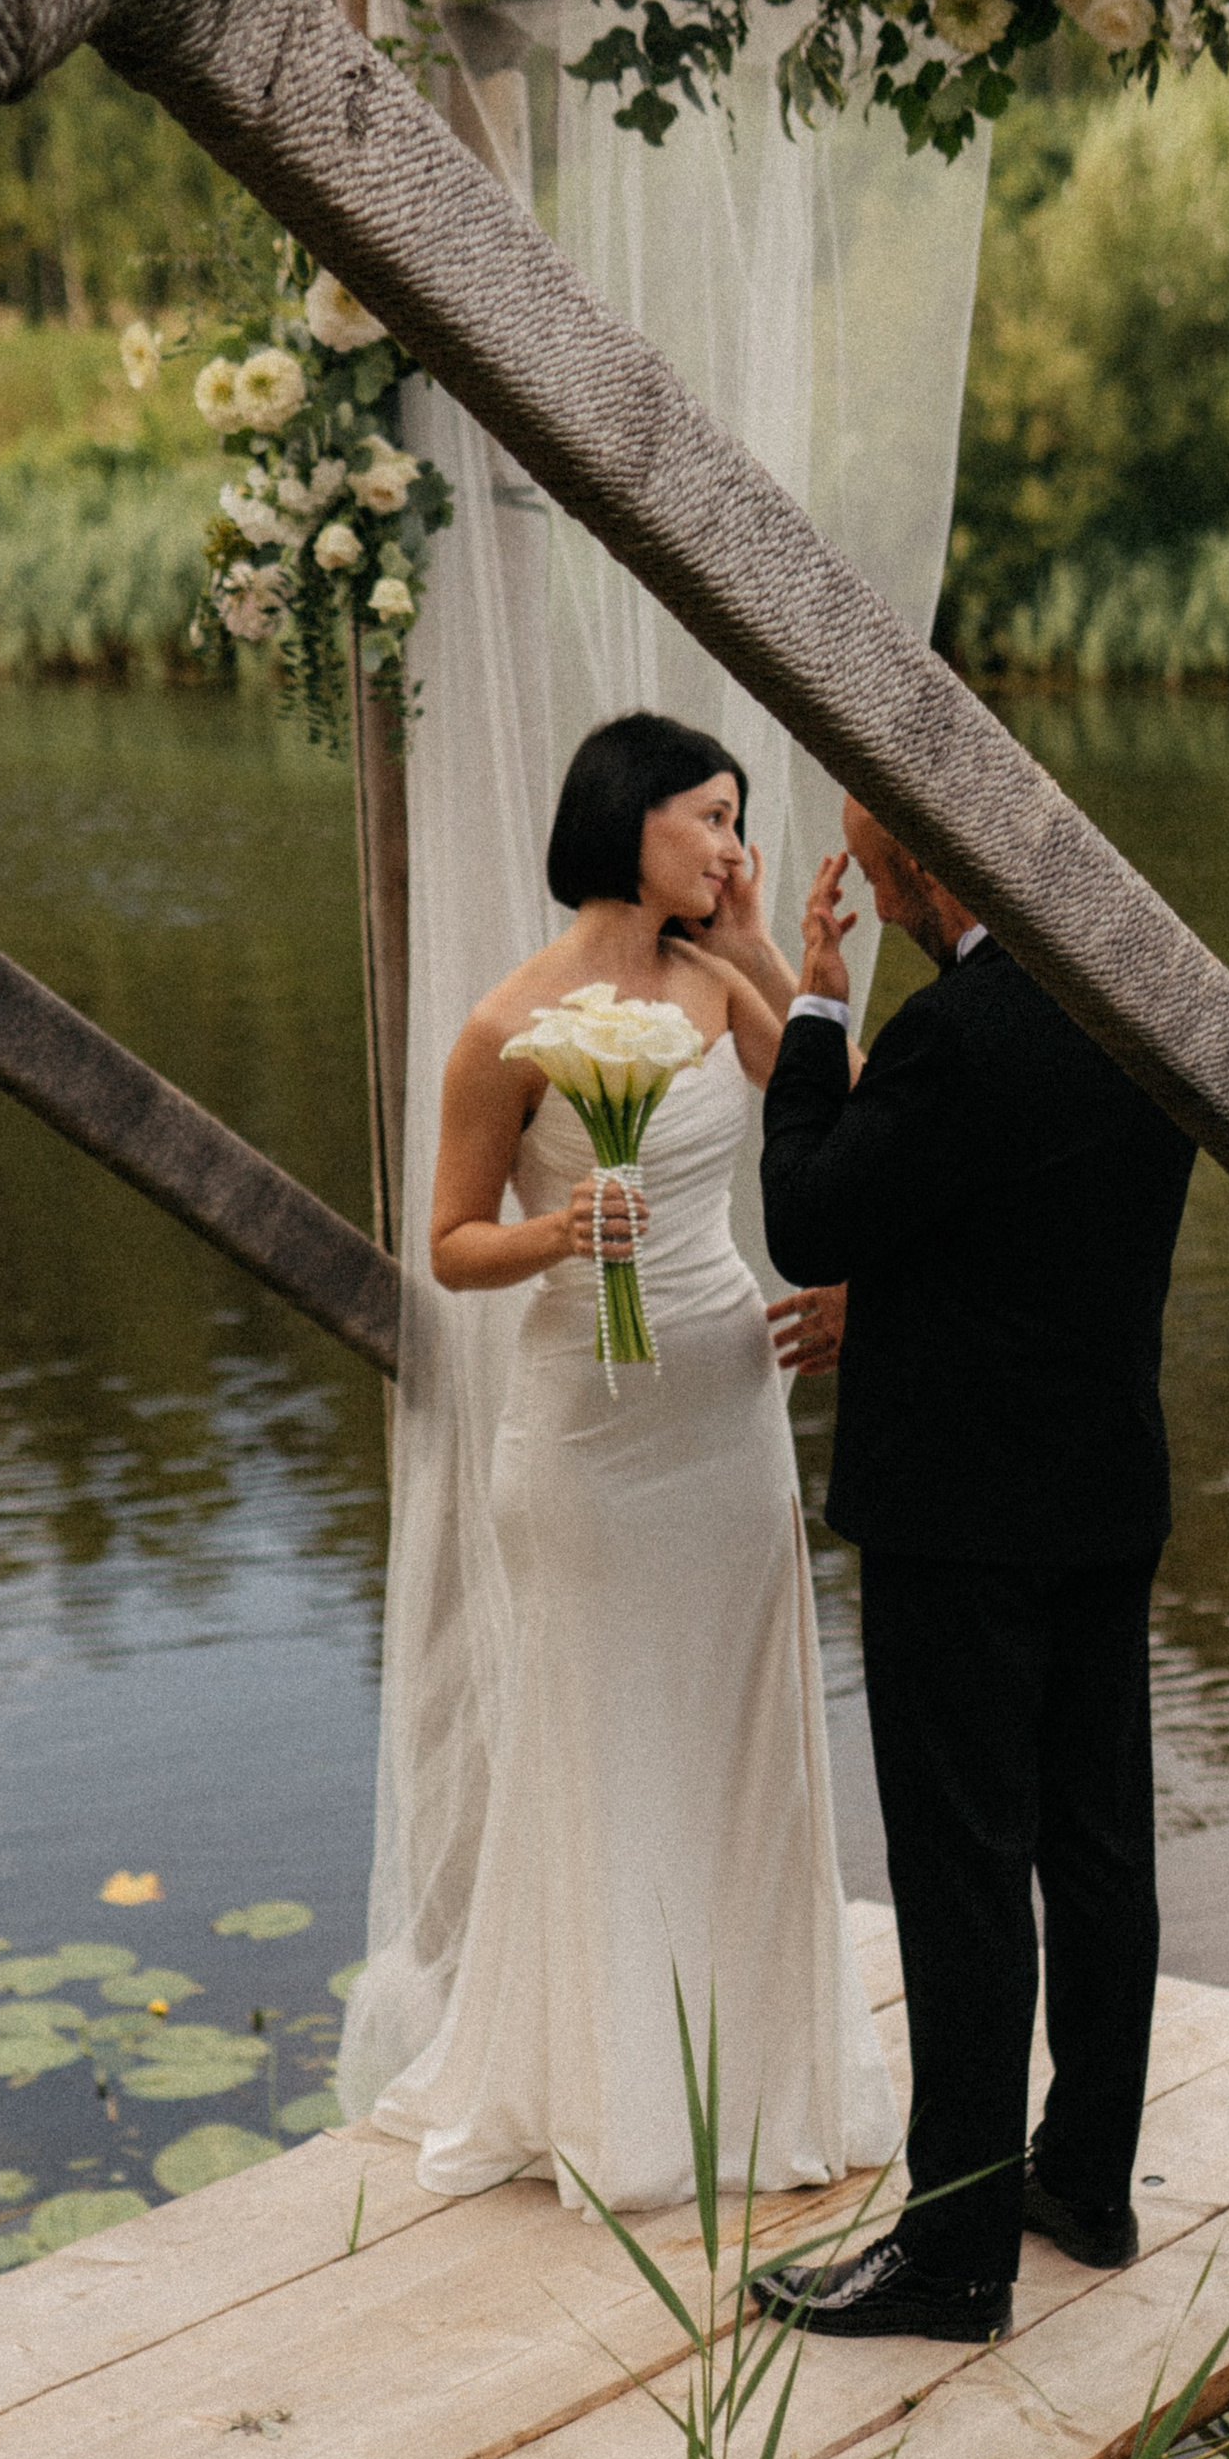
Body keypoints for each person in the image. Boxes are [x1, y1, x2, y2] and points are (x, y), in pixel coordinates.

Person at [353, 713, 898, 2214]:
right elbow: (456, 1246)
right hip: (585, 1429)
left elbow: (832, 1115)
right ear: (628, 818)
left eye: (738, 820)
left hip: (725, 1405)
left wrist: (793, 962)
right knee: (605, 1738)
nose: (733, 842)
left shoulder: (718, 982)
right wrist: (559, 1234)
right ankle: (619, 2094)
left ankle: (758, 2065)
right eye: (710, 816)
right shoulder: (503, 1027)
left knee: (738, 1734)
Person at [753, 798, 1194, 2343]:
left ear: (931, 866)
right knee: (1097, 1848)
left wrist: (819, 1005)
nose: (887, 903)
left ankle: (951, 2254)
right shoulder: (1143, 995)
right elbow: (1031, 1229)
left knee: (961, 1873)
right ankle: (1083, 2180)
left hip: (960, 1509)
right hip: (1101, 1488)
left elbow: (807, 1210)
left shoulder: (959, 1035)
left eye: (883, 879)